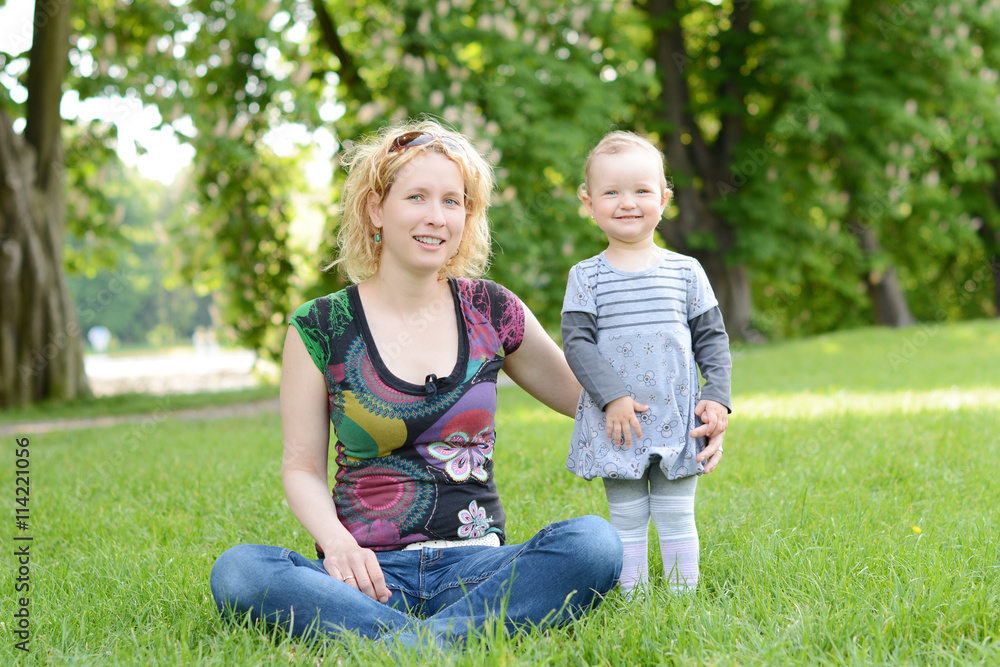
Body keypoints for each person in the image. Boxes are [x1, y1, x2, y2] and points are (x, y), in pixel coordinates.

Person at [209, 120, 623, 650]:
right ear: (376, 208)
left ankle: (405, 648)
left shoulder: (492, 310)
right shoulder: (319, 326)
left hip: (478, 571)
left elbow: (593, 401)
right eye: (417, 197)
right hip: (365, 578)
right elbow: (301, 467)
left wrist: (697, 410)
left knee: (592, 543)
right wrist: (337, 545)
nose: (436, 217)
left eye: (453, 201)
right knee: (240, 571)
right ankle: (450, 642)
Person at [561, 130, 731, 596]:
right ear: (589, 202)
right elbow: (577, 343)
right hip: (618, 419)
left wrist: (717, 397)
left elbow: (712, 340)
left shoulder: (686, 270)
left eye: (641, 190)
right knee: (628, 517)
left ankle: (680, 600)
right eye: (611, 192)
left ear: (664, 199)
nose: (627, 202)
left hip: (678, 416)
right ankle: (632, 599)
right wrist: (612, 397)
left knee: (677, 514)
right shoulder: (587, 276)